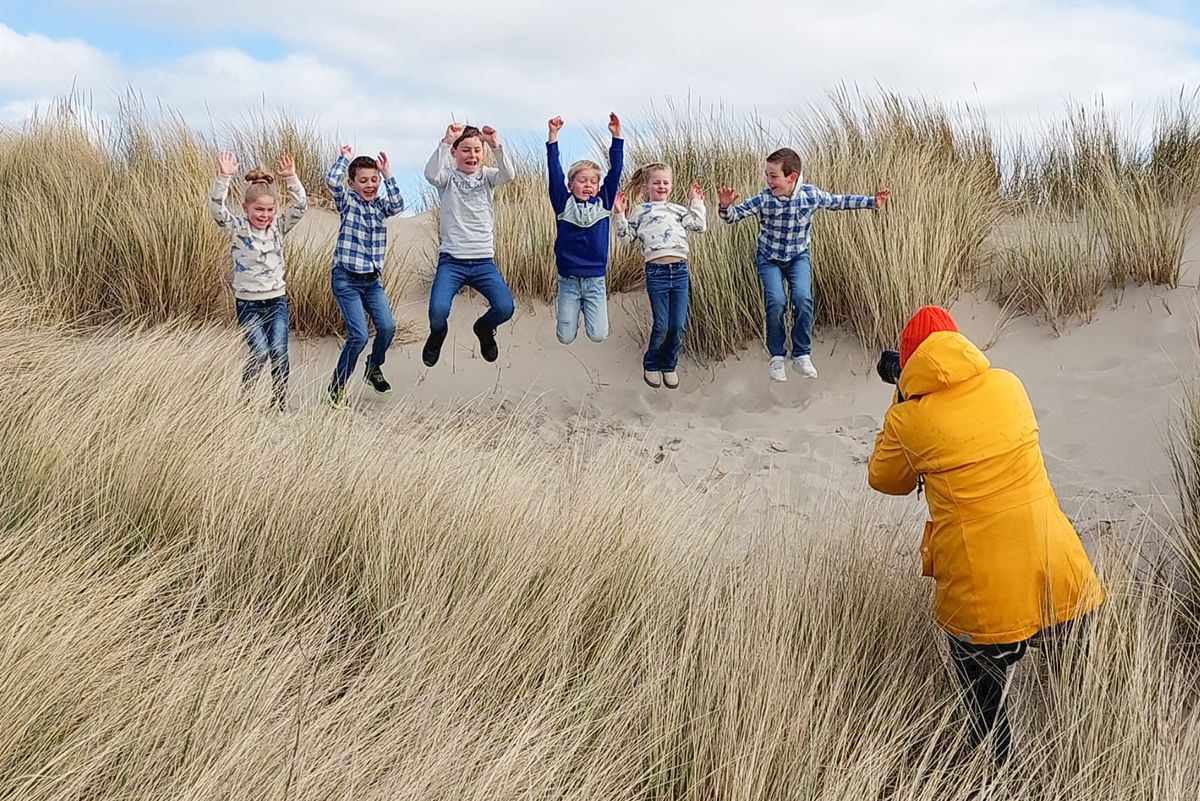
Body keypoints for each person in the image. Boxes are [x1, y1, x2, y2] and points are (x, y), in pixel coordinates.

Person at [868, 305, 1104, 765]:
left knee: (985, 705)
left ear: (910, 363)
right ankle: (1086, 758)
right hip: (1059, 570)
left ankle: (999, 767)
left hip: (983, 594)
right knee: (1078, 693)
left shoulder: (909, 419)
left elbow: (885, 478)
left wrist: (900, 396)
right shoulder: (1009, 384)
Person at [717, 148, 889, 382]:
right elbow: (735, 217)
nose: (768, 181)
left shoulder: (810, 195)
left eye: (773, 176)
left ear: (792, 177)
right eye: (767, 175)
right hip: (769, 258)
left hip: (798, 256)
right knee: (776, 301)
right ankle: (777, 356)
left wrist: (872, 202)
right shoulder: (764, 198)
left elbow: (838, 201)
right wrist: (726, 207)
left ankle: (801, 355)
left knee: (802, 298)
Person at [208, 151, 307, 410]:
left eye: (269, 209)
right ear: (246, 208)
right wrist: (224, 176)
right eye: (258, 209)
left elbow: (301, 206)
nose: (264, 215)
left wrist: (291, 178)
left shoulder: (278, 226)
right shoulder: (237, 227)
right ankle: (246, 400)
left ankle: (279, 403)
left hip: (276, 302)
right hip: (248, 305)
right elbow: (216, 208)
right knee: (260, 352)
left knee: (279, 352)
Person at [422, 123, 517, 367]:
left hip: (483, 261)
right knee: (438, 311)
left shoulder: (487, 176)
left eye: (477, 150)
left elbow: (508, 175)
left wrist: (496, 145)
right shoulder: (448, 178)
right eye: (465, 150)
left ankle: (484, 329)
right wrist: (445, 142)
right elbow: (431, 174)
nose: (472, 155)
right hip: (452, 261)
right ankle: (438, 334)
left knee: (505, 308)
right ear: (455, 153)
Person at [325, 146, 405, 410]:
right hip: (346, 279)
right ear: (353, 183)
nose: (369, 185)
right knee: (358, 336)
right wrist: (344, 159)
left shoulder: (381, 206)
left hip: (372, 281)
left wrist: (387, 173)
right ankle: (336, 388)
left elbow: (398, 204)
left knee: (387, 327)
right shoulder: (348, 201)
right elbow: (330, 182)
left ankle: (373, 367)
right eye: (363, 180)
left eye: (373, 180)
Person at [613, 164, 706, 390]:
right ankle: (652, 363)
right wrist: (620, 215)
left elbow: (700, 226)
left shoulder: (678, 210)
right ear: (646, 186)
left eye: (665, 182)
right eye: (656, 182)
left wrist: (696, 202)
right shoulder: (641, 211)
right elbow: (626, 239)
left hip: (680, 271)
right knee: (662, 325)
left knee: (678, 325)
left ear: (671, 185)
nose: (661, 186)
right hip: (656, 273)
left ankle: (670, 365)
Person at [546, 112, 624, 345]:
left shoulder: (604, 203)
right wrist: (553, 137)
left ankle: (586, 310)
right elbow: (554, 172)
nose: (588, 185)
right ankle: (571, 312)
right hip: (568, 281)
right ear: (571, 185)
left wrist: (617, 138)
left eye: (593, 181)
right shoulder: (563, 203)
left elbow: (615, 172)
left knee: (598, 335)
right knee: (565, 338)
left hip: (595, 281)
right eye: (582, 181)